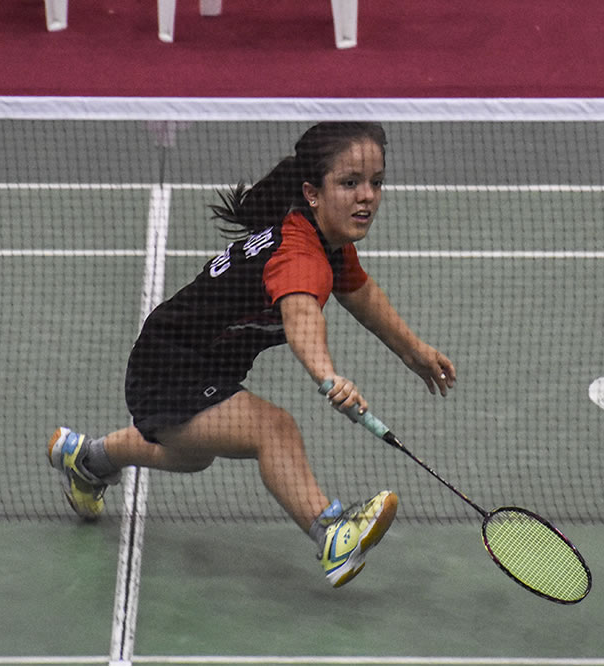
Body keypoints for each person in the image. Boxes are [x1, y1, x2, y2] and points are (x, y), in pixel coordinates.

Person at [47, 122, 456, 587]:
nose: (367, 197)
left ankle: (86, 459)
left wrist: (413, 351)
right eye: (350, 183)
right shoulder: (299, 255)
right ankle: (332, 535)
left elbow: (359, 293)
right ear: (313, 193)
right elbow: (302, 319)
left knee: (190, 455)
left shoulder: (325, 239)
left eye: (376, 183)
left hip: (196, 361)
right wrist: (329, 377)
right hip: (169, 366)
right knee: (272, 429)